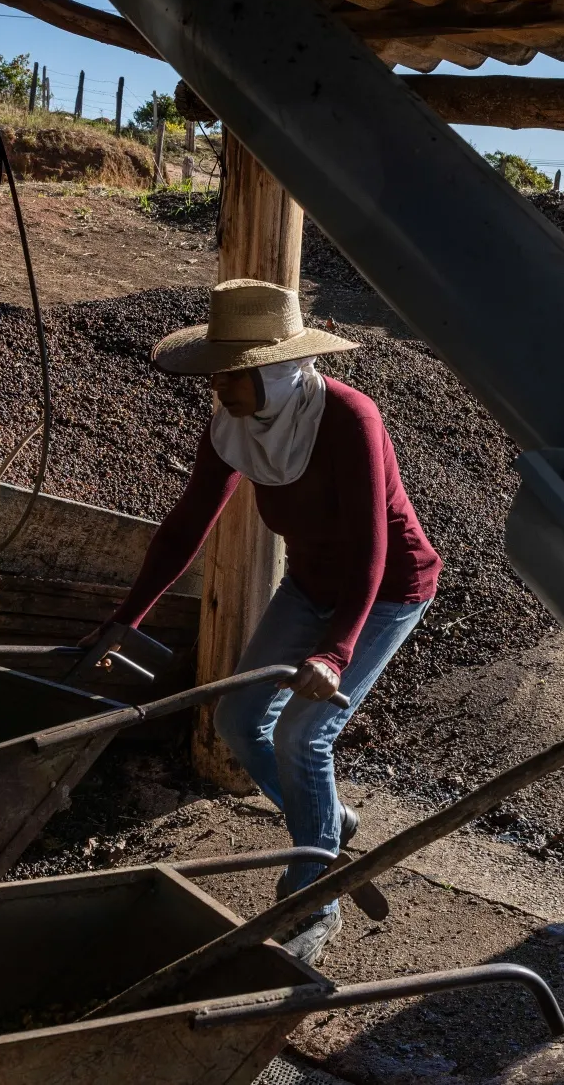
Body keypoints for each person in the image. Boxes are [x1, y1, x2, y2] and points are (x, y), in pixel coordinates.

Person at [93, 278, 441, 963]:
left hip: (387, 589)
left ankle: (311, 903)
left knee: (305, 735)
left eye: (235, 372)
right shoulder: (234, 425)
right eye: (218, 371)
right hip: (311, 584)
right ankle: (328, 827)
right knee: (237, 721)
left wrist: (336, 655)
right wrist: (125, 619)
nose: (220, 385)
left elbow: (372, 547)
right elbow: (186, 524)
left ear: (278, 370)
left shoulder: (348, 418)